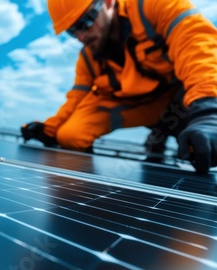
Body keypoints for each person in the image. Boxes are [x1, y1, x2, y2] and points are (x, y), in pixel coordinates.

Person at [21, 0, 217, 174]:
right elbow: (76, 98)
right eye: (73, 31)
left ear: (107, 3)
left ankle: (165, 136)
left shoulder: (155, 5)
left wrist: (209, 112)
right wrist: (49, 129)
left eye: (85, 24)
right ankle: (157, 136)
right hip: (137, 108)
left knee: (201, 148)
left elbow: (198, 46)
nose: (81, 37)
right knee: (70, 136)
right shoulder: (88, 58)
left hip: (183, 104)